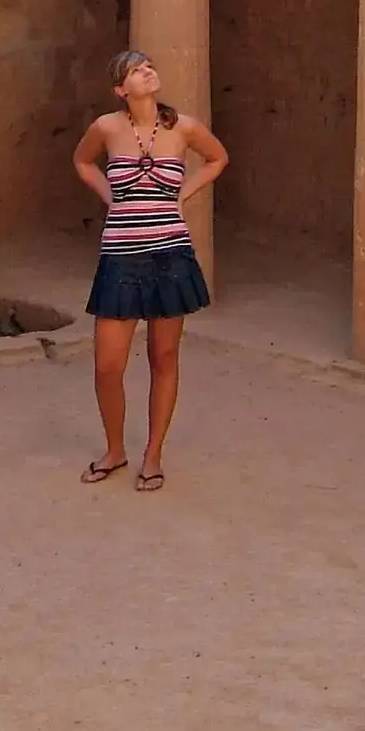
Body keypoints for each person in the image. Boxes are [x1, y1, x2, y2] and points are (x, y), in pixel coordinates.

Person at [71, 49, 229, 491]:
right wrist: (111, 198)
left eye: (149, 67)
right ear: (121, 89)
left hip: (170, 255)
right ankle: (114, 449)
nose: (147, 72)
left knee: (163, 358)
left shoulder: (185, 128)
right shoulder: (106, 127)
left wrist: (183, 196)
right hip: (120, 256)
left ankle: (152, 455)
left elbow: (218, 159)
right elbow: (82, 161)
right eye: (136, 71)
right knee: (107, 365)